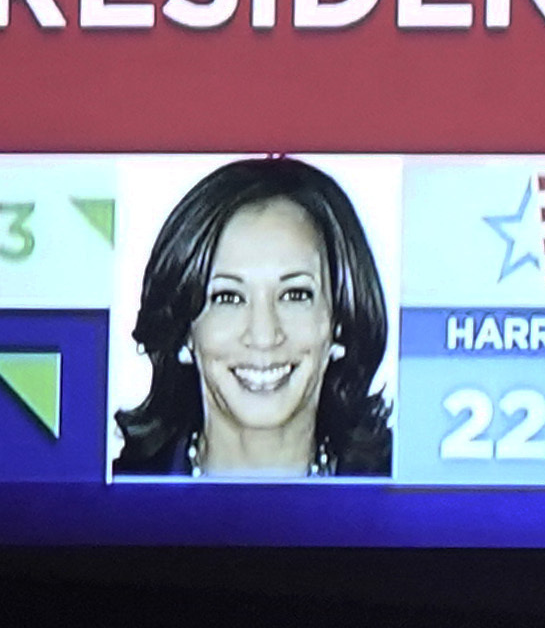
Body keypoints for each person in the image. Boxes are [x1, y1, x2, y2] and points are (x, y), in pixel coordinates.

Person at [110, 157, 393, 479]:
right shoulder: (104, 507)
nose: (263, 335)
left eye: (295, 295)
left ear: (340, 319)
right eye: (228, 298)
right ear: (184, 332)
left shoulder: (414, 500)